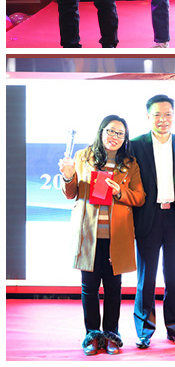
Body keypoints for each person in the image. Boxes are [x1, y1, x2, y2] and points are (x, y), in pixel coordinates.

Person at [58, 115, 145, 355]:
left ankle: (111, 334)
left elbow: (140, 197)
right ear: (101, 131)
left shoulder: (130, 164)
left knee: (114, 288)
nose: (114, 137)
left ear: (125, 138)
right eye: (110, 131)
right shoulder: (83, 157)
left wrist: (120, 192)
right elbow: (71, 193)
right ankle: (92, 334)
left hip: (117, 235)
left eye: (120, 133)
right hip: (89, 235)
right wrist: (68, 176)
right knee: (89, 287)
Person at [131, 95, 175, 349]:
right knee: (145, 279)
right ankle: (144, 331)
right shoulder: (135, 145)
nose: (163, 119)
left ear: (173, 115)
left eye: (168, 114)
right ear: (148, 116)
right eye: (157, 114)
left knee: (174, 277)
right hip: (146, 218)